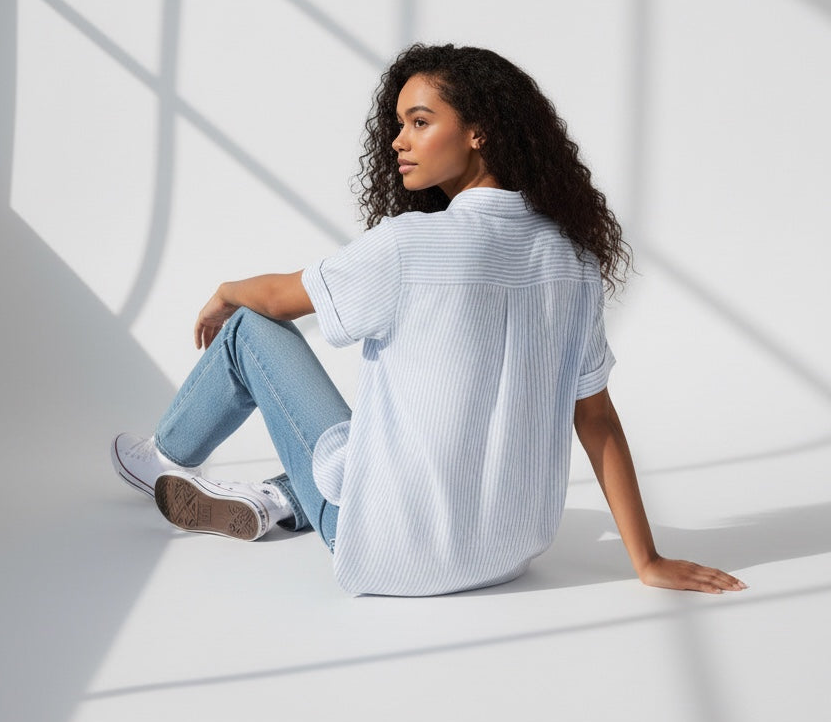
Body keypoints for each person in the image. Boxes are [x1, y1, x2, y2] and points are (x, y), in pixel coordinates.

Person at [112, 43, 747, 598]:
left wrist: (225, 290)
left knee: (250, 329)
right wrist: (647, 559)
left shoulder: (410, 243)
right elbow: (597, 418)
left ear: (480, 131)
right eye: (398, 125)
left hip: (385, 551)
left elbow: (275, 299)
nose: (397, 142)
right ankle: (276, 499)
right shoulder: (574, 259)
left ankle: (162, 456)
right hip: (507, 556)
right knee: (401, 419)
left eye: (420, 122)